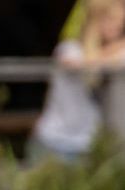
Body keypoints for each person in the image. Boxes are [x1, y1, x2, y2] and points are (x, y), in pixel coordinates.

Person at [29, 0, 125, 162]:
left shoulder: (116, 55)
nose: (116, 26)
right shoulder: (69, 49)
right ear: (95, 20)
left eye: (120, 22)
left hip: (85, 145)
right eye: (111, 20)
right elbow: (80, 64)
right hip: (54, 144)